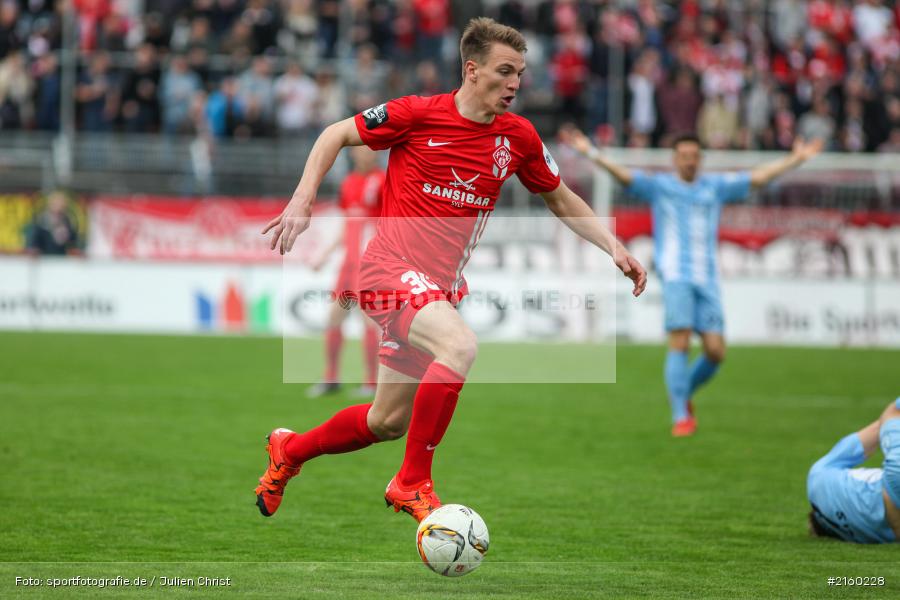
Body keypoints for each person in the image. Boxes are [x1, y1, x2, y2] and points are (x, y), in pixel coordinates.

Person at [254, 17, 647, 522]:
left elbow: (560, 198)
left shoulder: (518, 137)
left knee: (386, 421)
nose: (515, 84)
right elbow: (334, 134)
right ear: (472, 69)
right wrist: (303, 199)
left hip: (436, 291)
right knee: (460, 346)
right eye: (505, 72)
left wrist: (612, 246)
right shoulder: (416, 114)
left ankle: (290, 451)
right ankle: (411, 482)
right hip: (386, 270)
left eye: (521, 74)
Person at [559, 128, 822, 436]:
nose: (689, 162)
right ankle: (681, 416)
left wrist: (796, 159)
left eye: (694, 156)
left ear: (701, 159)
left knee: (715, 352)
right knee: (680, 342)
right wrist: (590, 152)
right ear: (674, 159)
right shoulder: (660, 187)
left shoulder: (715, 186)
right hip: (675, 276)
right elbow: (624, 176)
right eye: (683, 156)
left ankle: (684, 394)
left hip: (707, 278)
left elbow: (758, 178)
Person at [306, 145, 385, 399]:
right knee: (334, 318)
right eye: (362, 149)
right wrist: (324, 253)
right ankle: (331, 378)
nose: (366, 154)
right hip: (348, 265)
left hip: (370, 265)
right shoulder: (348, 183)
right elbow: (344, 225)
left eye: (372, 150)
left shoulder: (384, 182)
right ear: (353, 153)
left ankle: (372, 382)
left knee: (369, 320)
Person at [808, 397, 900, 543]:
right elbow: (877, 430)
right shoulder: (817, 478)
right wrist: (889, 419)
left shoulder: (859, 535)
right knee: (894, 411)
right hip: (894, 479)